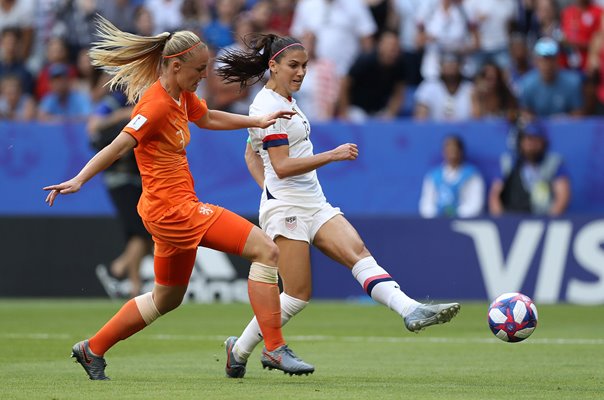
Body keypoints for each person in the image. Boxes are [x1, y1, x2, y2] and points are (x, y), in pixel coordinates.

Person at [43, 16, 314, 380]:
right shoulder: (154, 105)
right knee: (266, 250)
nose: (204, 76)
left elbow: (208, 119)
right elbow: (119, 144)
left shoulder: (181, 95)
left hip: (168, 211)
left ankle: (92, 348)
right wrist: (79, 179)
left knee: (166, 299)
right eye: (199, 69)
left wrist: (257, 122)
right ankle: (274, 347)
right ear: (175, 66)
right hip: (175, 211)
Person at [215, 33, 461, 379]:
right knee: (297, 296)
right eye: (293, 66)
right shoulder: (267, 107)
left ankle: (411, 309)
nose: (301, 73)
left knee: (358, 252)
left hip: (314, 202)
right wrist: (327, 157)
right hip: (288, 210)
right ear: (273, 66)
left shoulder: (286, 100)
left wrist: (268, 186)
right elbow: (281, 166)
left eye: (304, 66)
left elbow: (250, 154)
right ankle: (238, 350)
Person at [87, 82, 153, 299]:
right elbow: (93, 126)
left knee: (142, 232)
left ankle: (120, 270)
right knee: (140, 231)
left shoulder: (149, 99)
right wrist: (123, 114)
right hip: (120, 176)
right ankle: (131, 282)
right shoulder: (115, 101)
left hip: (138, 176)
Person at [488, 120, 571, 216]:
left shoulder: (554, 163)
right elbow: (494, 196)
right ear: (520, 142)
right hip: (512, 219)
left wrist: (547, 223)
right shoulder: (508, 163)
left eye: (536, 139)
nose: (531, 144)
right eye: (528, 139)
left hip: (544, 218)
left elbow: (562, 197)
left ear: (543, 142)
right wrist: (502, 222)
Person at [419, 135, 485, 218]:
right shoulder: (433, 176)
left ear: (461, 151)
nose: (452, 153)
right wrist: (439, 213)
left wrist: (455, 212)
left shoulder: (472, 175)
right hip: (437, 223)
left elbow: (476, 206)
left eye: (455, 149)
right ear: (443, 152)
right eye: (448, 149)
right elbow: (425, 206)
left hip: (464, 222)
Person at [519, 37, 584, 118]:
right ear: (536, 61)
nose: (547, 65)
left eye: (551, 60)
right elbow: (524, 113)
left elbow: (578, 116)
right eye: (543, 60)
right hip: (537, 130)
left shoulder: (573, 82)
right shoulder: (527, 83)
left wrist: (565, 119)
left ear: (557, 60)